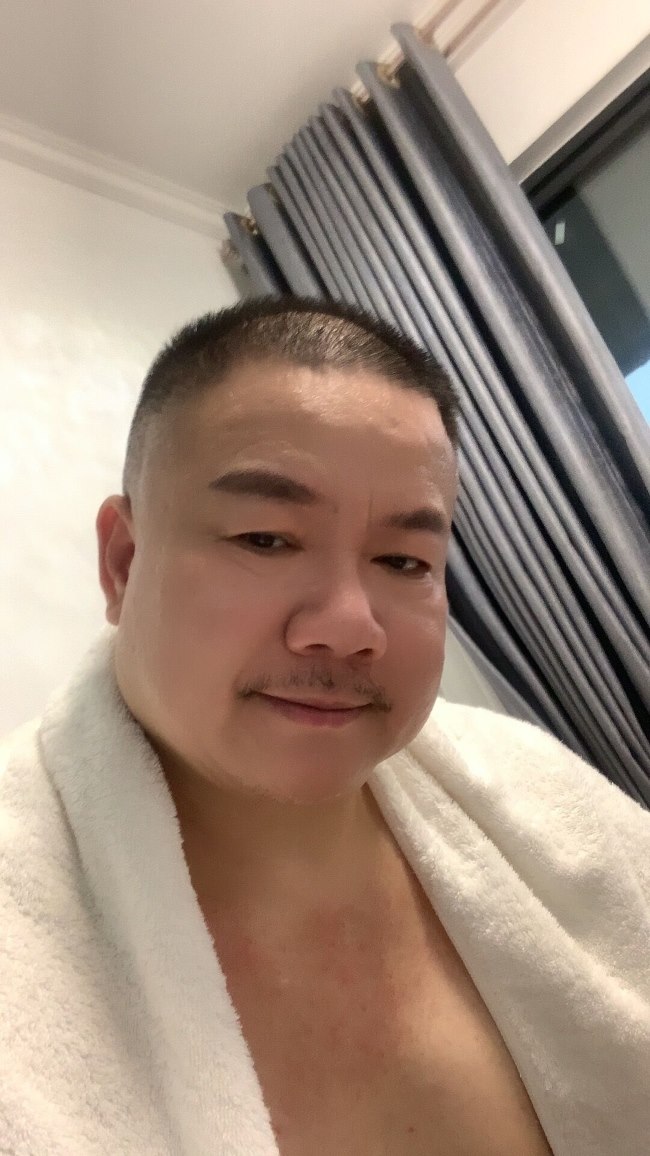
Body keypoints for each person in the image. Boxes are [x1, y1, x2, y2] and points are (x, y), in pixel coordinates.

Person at [1, 297, 648, 1156]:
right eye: (266, 539)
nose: (349, 626)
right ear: (122, 563)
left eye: (404, 560)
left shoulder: (542, 799)